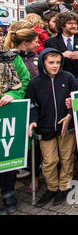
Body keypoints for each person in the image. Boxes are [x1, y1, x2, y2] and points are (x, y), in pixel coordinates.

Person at [26, 48, 78, 207]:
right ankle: (52, 187)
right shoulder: (35, 83)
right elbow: (32, 105)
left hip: (65, 127)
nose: (55, 66)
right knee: (49, 161)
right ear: (43, 62)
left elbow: (77, 98)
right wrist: (33, 120)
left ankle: (64, 186)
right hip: (45, 128)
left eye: (57, 62)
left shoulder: (68, 77)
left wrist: (70, 114)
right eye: (51, 63)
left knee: (67, 158)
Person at [4, 25, 41, 191]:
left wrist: (16, 95)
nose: (37, 43)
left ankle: (33, 176)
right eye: (35, 41)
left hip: (32, 105)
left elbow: (25, 80)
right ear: (25, 42)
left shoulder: (36, 57)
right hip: (10, 109)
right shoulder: (9, 57)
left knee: (32, 144)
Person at [0, 44, 30, 215]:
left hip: (8, 112)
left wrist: (14, 95)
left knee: (7, 156)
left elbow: (25, 79)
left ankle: (8, 194)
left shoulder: (12, 57)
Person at [44, 12, 78, 78]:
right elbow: (46, 63)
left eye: (75, 23)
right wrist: (61, 56)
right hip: (60, 79)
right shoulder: (50, 42)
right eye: (70, 23)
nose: (73, 26)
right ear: (61, 25)